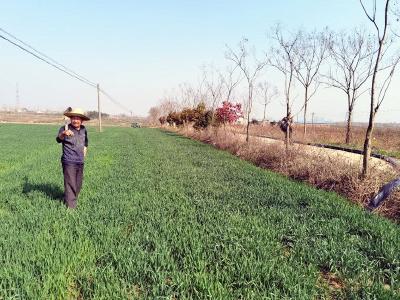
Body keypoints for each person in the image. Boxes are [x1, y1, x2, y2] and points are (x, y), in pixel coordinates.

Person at [56, 108, 90, 208]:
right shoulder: (65, 128)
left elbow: (85, 144)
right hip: (68, 160)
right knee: (70, 183)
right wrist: (63, 134)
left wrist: (83, 156)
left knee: (78, 184)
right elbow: (58, 139)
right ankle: (71, 208)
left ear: (82, 120)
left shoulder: (83, 129)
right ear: (70, 119)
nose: (75, 120)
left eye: (78, 118)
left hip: (80, 161)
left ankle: (68, 198)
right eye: (73, 118)